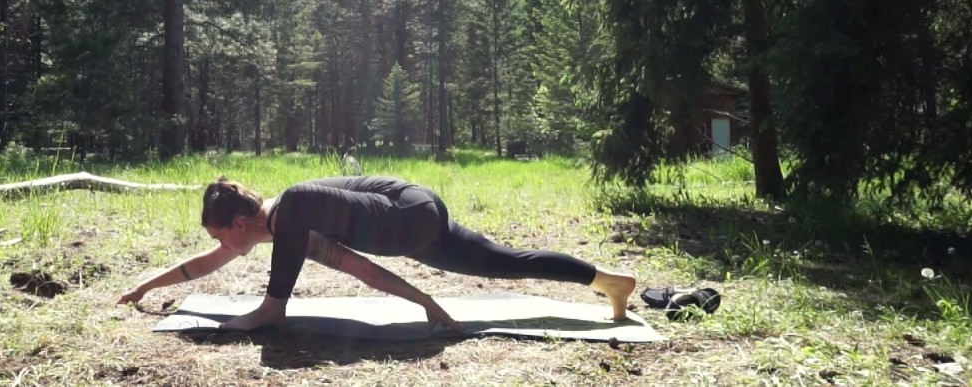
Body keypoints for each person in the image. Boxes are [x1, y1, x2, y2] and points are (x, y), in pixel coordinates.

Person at [117, 175, 637, 334]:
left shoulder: (293, 212)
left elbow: (272, 310)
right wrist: (147, 286)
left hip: (408, 216)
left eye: (218, 235)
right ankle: (609, 282)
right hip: (415, 219)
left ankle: (607, 282)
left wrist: (239, 323)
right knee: (504, 261)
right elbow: (359, 267)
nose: (218, 247)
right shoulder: (286, 224)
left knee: (501, 260)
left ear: (238, 224)